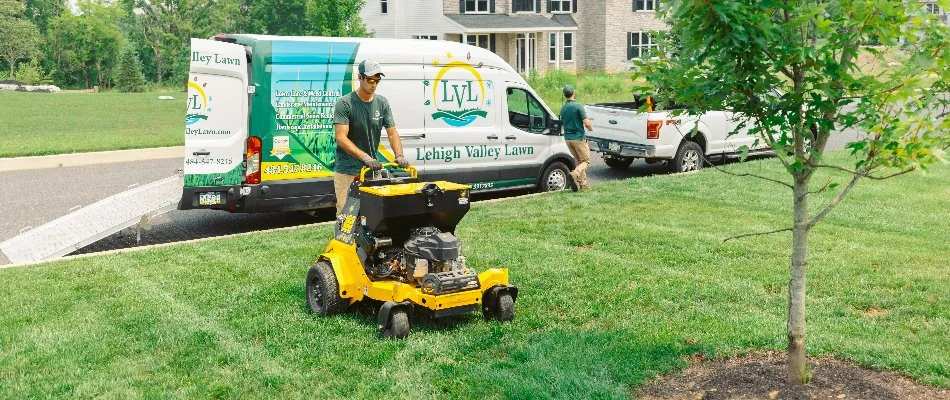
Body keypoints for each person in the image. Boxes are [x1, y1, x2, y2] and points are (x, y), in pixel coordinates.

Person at [332, 59, 411, 214]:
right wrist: (365, 157)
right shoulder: (345, 103)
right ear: (359, 77)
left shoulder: (382, 103)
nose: (373, 84)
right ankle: (345, 238)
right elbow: (341, 138)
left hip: (371, 170)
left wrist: (399, 155)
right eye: (370, 80)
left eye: (377, 80)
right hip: (347, 170)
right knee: (347, 212)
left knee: (372, 212)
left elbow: (392, 132)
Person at [559, 85, 593, 191]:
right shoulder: (578, 106)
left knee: (578, 161)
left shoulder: (563, 108)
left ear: (565, 95)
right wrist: (591, 128)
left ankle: (583, 185)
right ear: (573, 93)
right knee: (586, 161)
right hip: (578, 137)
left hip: (568, 138)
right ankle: (575, 173)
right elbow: (586, 123)